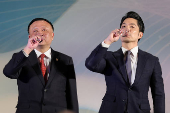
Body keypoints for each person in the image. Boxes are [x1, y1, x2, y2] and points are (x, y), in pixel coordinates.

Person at [85, 11, 165, 113]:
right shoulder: (109, 57)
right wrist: (107, 41)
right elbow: (91, 65)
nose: (127, 29)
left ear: (140, 35)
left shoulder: (151, 61)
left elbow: (158, 94)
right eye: (123, 26)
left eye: (132, 27)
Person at [3, 18, 79, 113]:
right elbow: (8, 72)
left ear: (52, 35)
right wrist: (28, 48)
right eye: (35, 31)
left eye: (44, 30)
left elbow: (71, 93)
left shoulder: (65, 60)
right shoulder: (22, 57)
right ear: (30, 37)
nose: (40, 33)